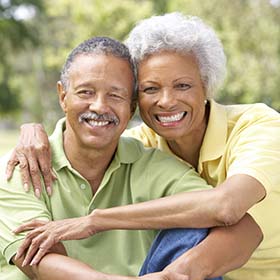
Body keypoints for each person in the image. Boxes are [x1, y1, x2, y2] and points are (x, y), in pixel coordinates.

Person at [7, 12, 278, 280]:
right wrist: (31, 130)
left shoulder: (258, 126)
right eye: (151, 89)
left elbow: (227, 208)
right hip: (211, 271)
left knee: (189, 228)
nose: (167, 101)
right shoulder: (141, 147)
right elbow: (94, 125)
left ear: (206, 87)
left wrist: (94, 221)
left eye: (182, 85)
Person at [0, 36, 220, 280]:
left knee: (198, 228)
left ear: (132, 107)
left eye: (115, 95)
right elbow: (38, 260)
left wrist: (180, 273)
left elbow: (233, 220)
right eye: (86, 92)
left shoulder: (153, 166)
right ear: (63, 96)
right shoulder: (20, 166)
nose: (99, 106)